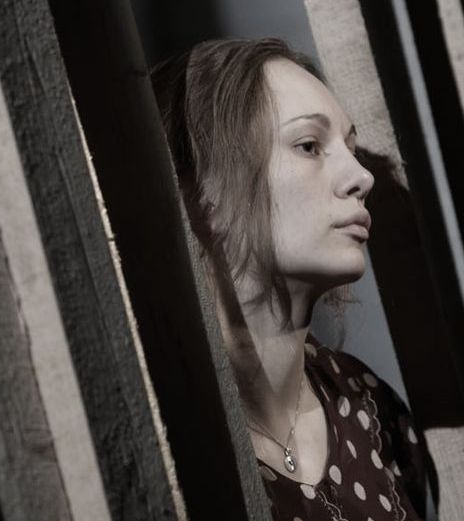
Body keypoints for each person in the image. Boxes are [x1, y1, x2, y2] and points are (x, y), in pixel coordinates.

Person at [151, 38, 428, 521]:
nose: (362, 176)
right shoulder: (159, 433)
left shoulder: (373, 409)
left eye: (352, 148)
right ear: (202, 192)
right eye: (309, 146)